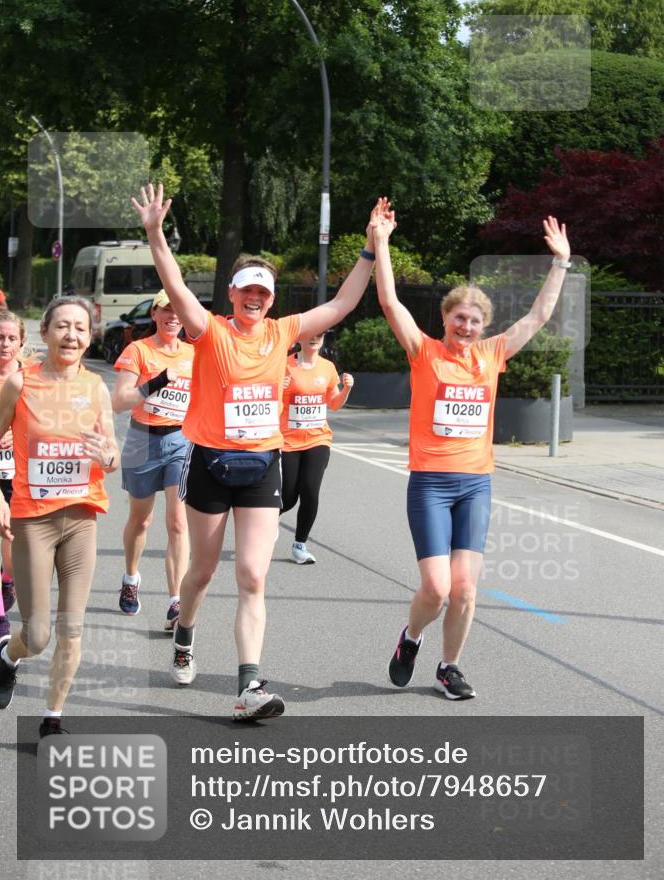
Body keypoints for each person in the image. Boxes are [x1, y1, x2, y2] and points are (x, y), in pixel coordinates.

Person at [131, 183, 390, 720]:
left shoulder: (283, 332)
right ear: (232, 293)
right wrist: (155, 233)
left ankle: (249, 684)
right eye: (247, 290)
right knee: (202, 572)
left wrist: (371, 246)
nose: (255, 298)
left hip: (262, 464)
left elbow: (342, 304)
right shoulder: (209, 331)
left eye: (264, 293)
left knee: (252, 575)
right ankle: (185, 633)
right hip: (209, 462)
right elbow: (175, 285)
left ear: (271, 299)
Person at [372, 211, 572, 700]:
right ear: (445, 319)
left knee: (464, 589)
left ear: (484, 327)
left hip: (475, 484)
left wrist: (561, 263)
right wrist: (381, 243)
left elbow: (538, 317)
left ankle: (449, 667)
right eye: (459, 318)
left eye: (475, 320)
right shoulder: (424, 351)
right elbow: (390, 301)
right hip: (431, 484)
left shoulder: (492, 355)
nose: (466, 326)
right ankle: (411, 638)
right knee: (437, 589)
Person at [0, 297, 119, 737]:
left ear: (90, 337)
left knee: (72, 627)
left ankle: (52, 718)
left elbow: (112, 455)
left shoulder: (96, 387)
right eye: (63, 326)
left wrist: (106, 455)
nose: (72, 335)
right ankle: (7, 656)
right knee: (38, 635)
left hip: (82, 519)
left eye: (81, 328)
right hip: (33, 520)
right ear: (45, 333)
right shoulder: (20, 383)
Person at [112, 289, 192, 631]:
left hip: (180, 441)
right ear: (155, 314)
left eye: (178, 311)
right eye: (166, 310)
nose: (173, 317)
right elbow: (119, 402)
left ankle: (177, 602)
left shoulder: (194, 354)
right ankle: (131, 577)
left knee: (178, 522)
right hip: (142, 439)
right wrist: (157, 382)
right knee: (141, 520)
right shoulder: (139, 350)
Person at [280, 333, 354, 564]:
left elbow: (334, 404)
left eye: (319, 335)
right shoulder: (285, 365)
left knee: (310, 491)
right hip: (288, 441)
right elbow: (272, 405)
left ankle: (299, 545)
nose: (315, 338)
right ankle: (266, 519)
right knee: (288, 497)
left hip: (318, 439)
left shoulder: (327, 367)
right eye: (310, 335)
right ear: (300, 338)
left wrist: (346, 390)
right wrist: (279, 390)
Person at [0, 311, 27, 639]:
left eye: (10, 338)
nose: (4, 344)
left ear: (21, 342)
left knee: (11, 547)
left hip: (16, 476)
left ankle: (7, 581)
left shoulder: (29, 378)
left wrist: (13, 430)